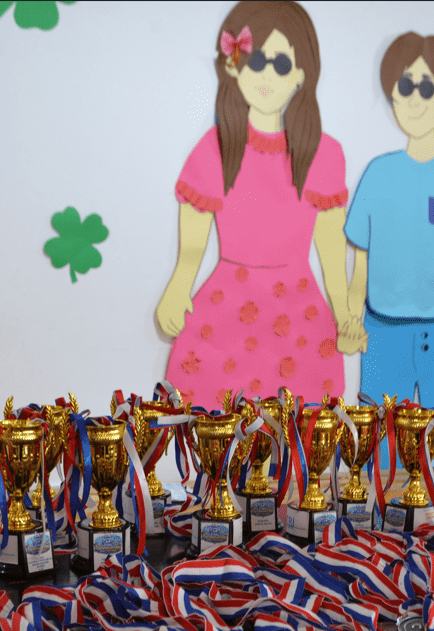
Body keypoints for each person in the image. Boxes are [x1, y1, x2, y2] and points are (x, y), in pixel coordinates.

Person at [154, 1, 363, 409]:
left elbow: (331, 251)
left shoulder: (322, 154)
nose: (267, 75)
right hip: (228, 307)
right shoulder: (216, 148)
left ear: (301, 74)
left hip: (298, 314)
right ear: (233, 66)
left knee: (295, 429)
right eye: (255, 61)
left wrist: (343, 314)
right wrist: (178, 289)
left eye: (281, 65)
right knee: (217, 422)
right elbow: (192, 246)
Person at [344, 32, 434, 458]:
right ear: (392, 93)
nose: (415, 99)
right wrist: (352, 318)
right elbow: (361, 263)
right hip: (382, 330)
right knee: (379, 447)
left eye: (427, 87)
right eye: (405, 86)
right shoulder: (378, 174)